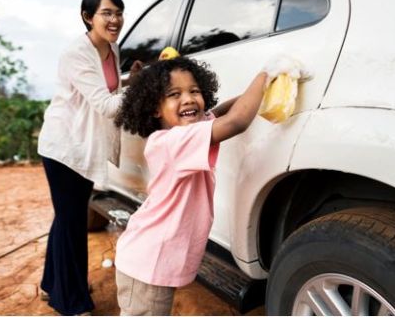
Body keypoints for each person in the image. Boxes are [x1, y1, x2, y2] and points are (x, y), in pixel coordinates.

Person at [108, 54, 304, 315]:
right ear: (155, 108)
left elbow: (223, 111)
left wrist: (264, 89)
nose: (188, 99)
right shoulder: (170, 142)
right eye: (174, 94)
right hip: (147, 266)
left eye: (194, 91)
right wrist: (265, 73)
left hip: (150, 260)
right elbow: (236, 121)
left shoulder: (187, 130)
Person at [35, 0, 141, 316]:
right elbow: (107, 105)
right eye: (107, 13)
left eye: (119, 12)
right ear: (87, 17)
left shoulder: (112, 48)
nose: (115, 19)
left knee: (66, 219)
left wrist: (128, 80)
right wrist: (137, 90)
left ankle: (53, 284)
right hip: (65, 147)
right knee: (71, 222)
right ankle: (72, 303)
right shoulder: (76, 53)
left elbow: (109, 87)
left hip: (82, 145)